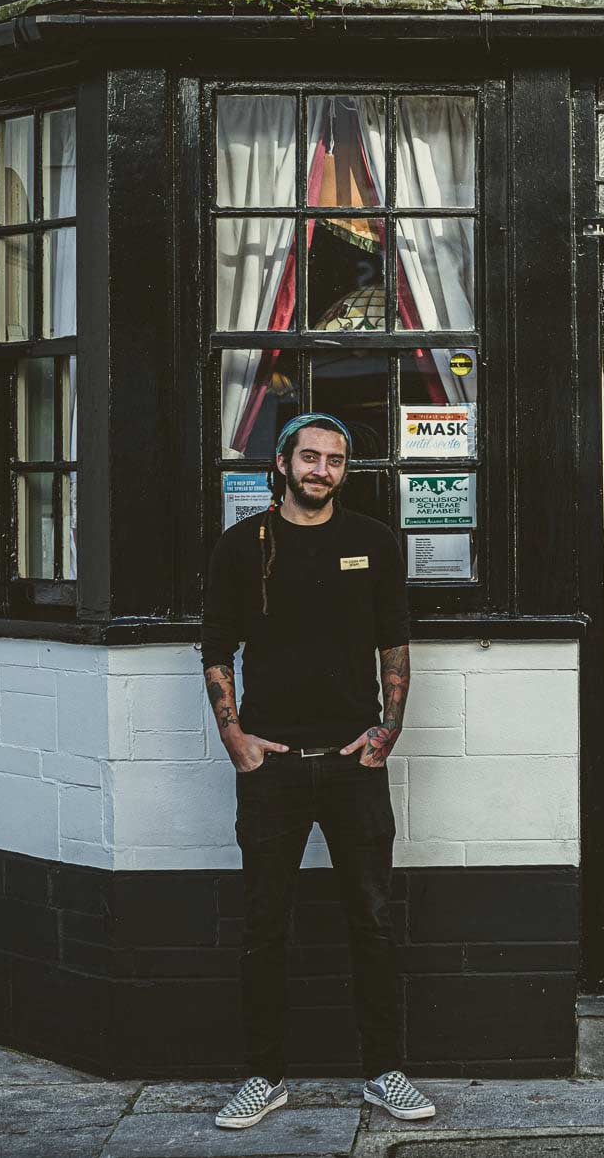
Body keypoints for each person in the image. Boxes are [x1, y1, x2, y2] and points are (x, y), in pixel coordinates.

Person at [199, 412, 434, 1130]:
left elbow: (394, 644)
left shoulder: (373, 543)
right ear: (281, 463)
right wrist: (233, 734)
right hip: (270, 765)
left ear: (344, 471)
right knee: (265, 925)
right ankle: (263, 1076)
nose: (320, 470)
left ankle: (384, 1072)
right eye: (309, 456)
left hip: (350, 764)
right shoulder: (242, 548)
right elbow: (215, 648)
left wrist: (387, 731)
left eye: (334, 460)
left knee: (372, 919)